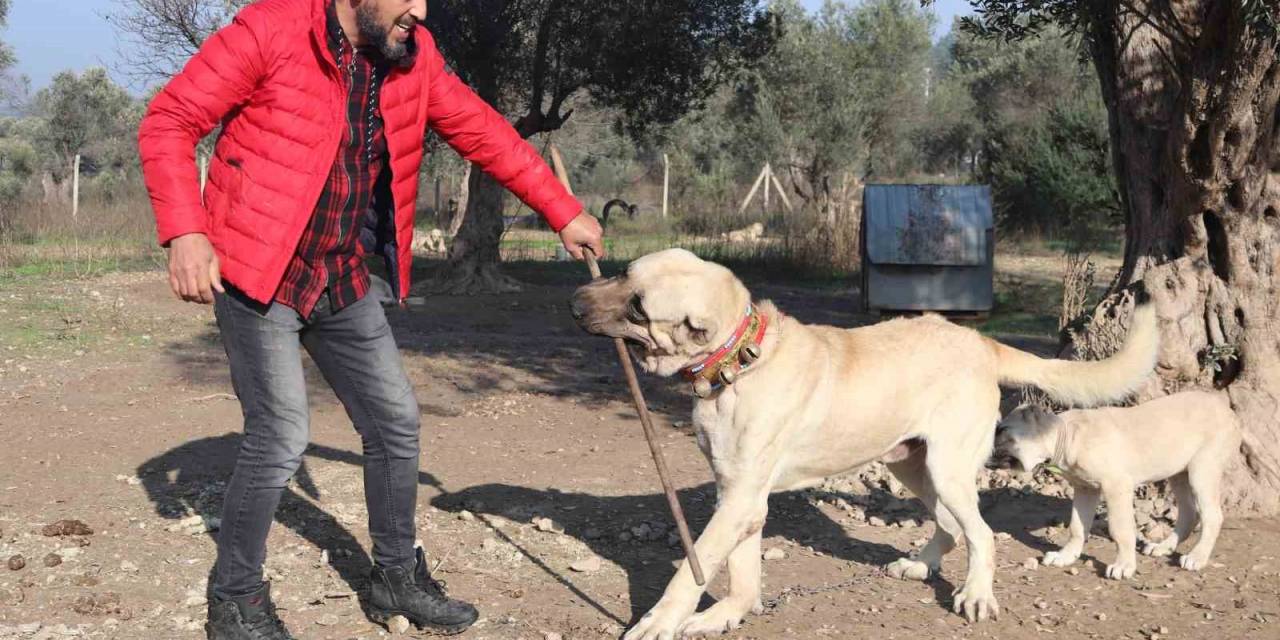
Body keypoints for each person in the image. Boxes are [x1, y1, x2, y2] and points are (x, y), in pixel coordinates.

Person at [137, 0, 605, 637]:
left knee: (395, 423)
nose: (420, 9)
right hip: (256, 272)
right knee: (279, 438)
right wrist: (186, 232)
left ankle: (395, 578)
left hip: (343, 274)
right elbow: (170, 118)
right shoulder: (270, 29)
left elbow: (485, 132)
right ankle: (234, 601)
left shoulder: (415, 56)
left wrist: (563, 211)